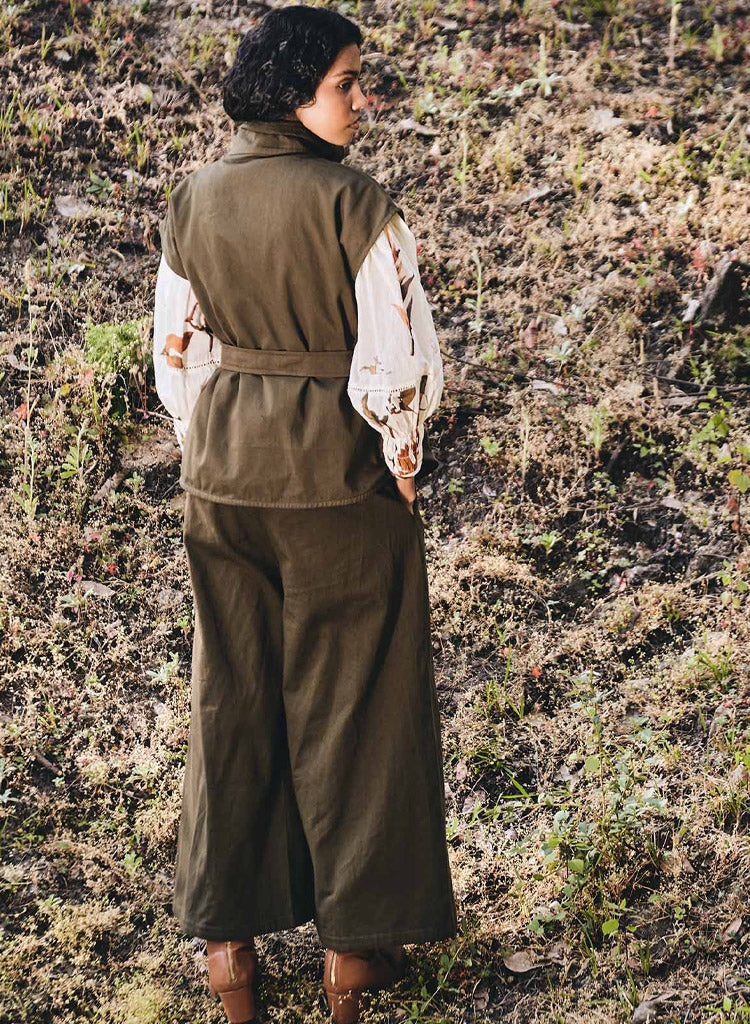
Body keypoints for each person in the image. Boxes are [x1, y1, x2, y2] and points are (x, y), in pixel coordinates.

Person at [152, 6, 457, 1022]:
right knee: (356, 709)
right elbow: (398, 357)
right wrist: (402, 456)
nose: (363, 102)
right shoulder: (355, 204)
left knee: (230, 699)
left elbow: (177, 356)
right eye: (345, 84)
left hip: (222, 480)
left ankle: (229, 954)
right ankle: (349, 957)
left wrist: (214, 440)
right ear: (291, 92)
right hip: (339, 483)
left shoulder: (193, 198)